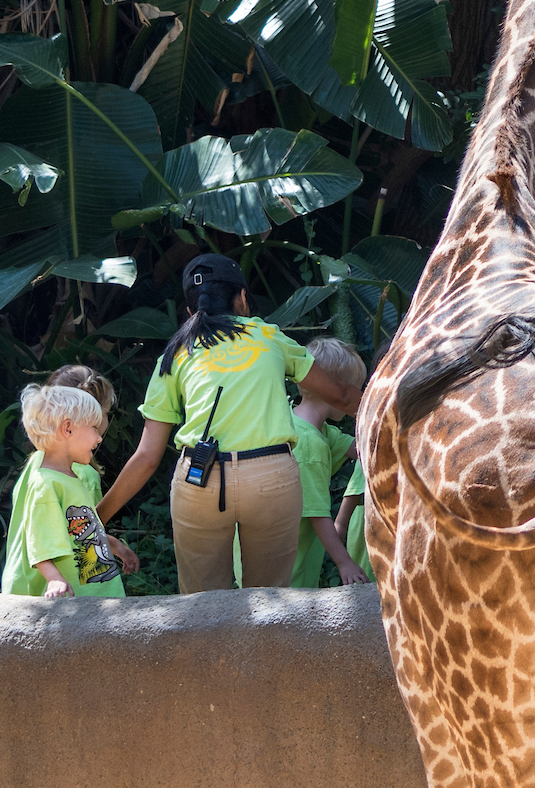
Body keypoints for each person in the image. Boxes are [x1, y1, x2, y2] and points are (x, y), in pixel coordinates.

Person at [101, 254, 363, 593]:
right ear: (242, 299)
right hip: (270, 478)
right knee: (271, 604)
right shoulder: (269, 336)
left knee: (202, 606)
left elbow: (148, 456)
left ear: (190, 312)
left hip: (200, 482)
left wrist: (98, 516)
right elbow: (342, 397)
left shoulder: (176, 353)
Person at [5, 384, 134, 596]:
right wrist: (54, 579)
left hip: (97, 598)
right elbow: (39, 539)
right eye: (94, 428)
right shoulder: (46, 484)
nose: (99, 438)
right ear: (68, 429)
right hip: (77, 603)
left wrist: (115, 546)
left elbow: (80, 531)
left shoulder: (70, 477)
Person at [290, 338, 370, 588]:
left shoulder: (309, 427)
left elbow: (361, 449)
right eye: (356, 390)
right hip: (290, 569)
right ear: (338, 389)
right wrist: (344, 562)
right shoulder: (309, 444)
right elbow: (317, 514)